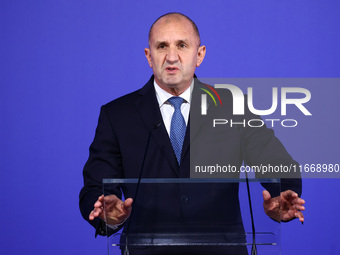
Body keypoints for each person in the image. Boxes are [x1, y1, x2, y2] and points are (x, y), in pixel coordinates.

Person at [79, 12, 305, 254]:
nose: (171, 56)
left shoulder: (232, 106)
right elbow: (95, 188)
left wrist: (281, 194)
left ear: (199, 55)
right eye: (162, 46)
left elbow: (280, 166)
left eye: (182, 45)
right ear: (149, 56)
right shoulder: (117, 114)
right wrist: (110, 214)